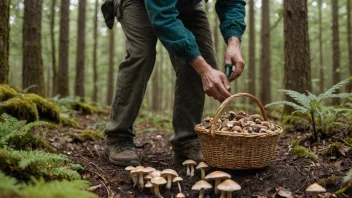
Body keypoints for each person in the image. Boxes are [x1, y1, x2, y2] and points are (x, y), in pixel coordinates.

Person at [101, 0, 246, 166]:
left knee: (203, 57)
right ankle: (117, 137)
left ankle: (186, 141)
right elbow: (163, 17)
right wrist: (204, 70)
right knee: (142, 54)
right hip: (140, 2)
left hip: (185, 4)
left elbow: (233, 2)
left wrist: (234, 43)